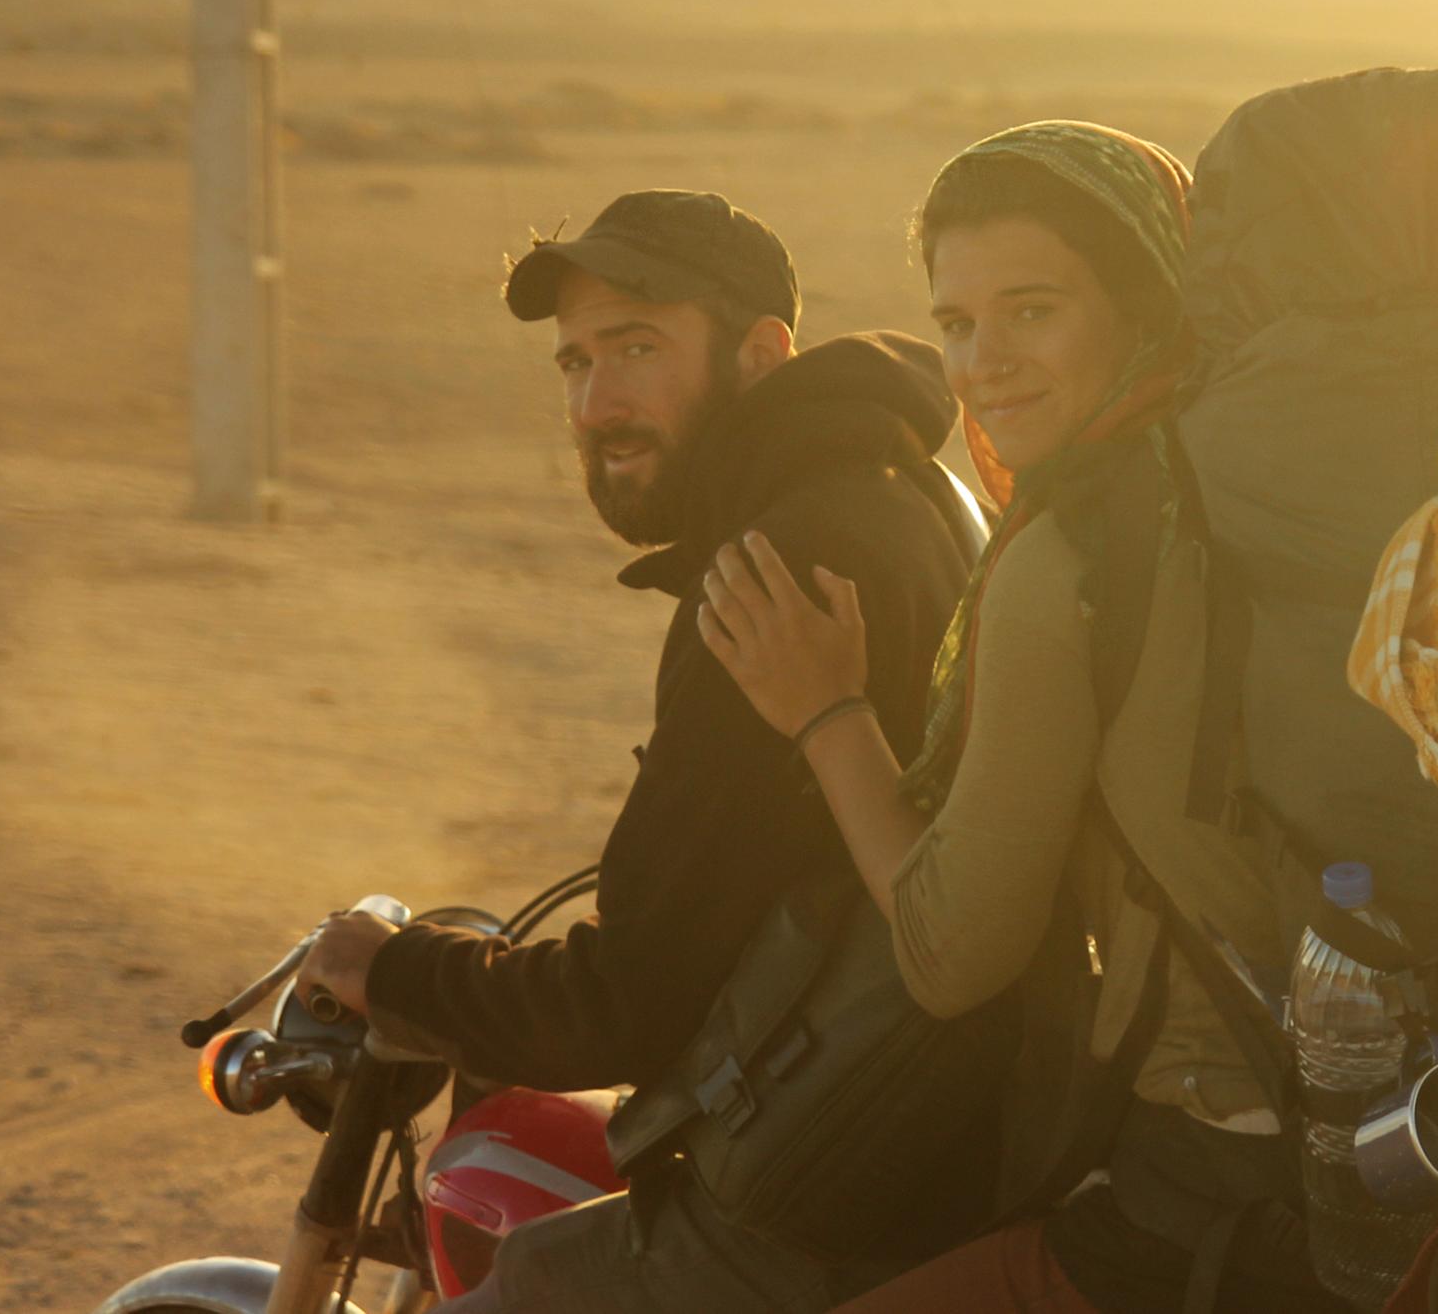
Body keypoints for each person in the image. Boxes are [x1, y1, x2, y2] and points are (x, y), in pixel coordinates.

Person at [299, 188, 988, 1312]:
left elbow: (629, 1005)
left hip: (834, 1185)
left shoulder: (773, 567)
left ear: (760, 354)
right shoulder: (901, 487)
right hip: (922, 1118)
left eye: (637, 348)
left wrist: (394, 970)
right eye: (575, 363)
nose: (598, 403)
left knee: (531, 1277)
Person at [698, 123, 1348, 1313]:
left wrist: (828, 712)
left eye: (1033, 311)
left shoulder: (1077, 555)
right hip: (1378, 1110)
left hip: (1220, 1173)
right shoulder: (1261, 489)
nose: (982, 365)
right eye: (956, 323)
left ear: (1146, 305)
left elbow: (953, 954)